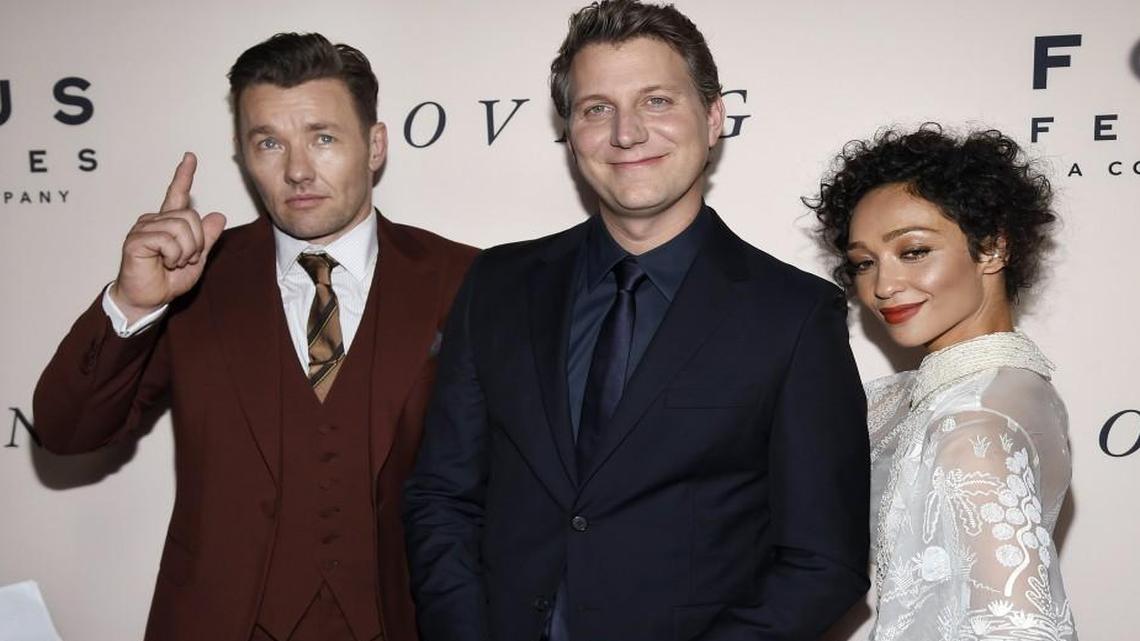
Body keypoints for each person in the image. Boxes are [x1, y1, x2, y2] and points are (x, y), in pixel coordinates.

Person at [403, 2, 870, 640]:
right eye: (597, 108)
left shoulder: (792, 315)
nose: (626, 133)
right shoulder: (498, 284)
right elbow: (442, 498)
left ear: (713, 118)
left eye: (656, 101)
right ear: (569, 130)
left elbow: (824, 563)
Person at [33, 33, 476, 641]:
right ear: (242, 155)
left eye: (322, 137)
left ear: (374, 146)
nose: (297, 170)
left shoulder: (467, 280)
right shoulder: (193, 281)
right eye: (269, 142)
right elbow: (66, 432)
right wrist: (133, 302)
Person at [808, 124, 1077, 640]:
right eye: (864, 263)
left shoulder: (976, 420)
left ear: (993, 247)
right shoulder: (945, 395)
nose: (883, 286)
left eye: (913, 251)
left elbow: (1020, 629)